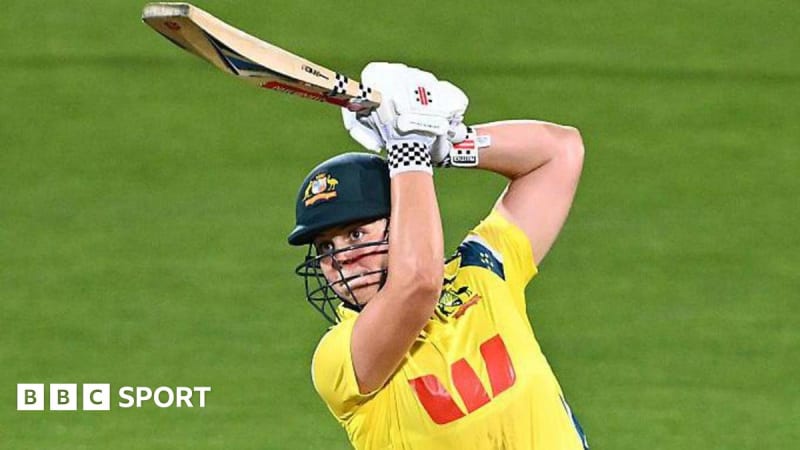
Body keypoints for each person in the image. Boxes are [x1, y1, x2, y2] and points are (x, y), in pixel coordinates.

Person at [288, 63, 589, 449]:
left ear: (403, 221)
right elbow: (416, 285)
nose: (341, 257)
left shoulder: (484, 271)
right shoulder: (339, 358)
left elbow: (559, 152)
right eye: (325, 247)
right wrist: (407, 148)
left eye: (356, 234)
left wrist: (447, 144)